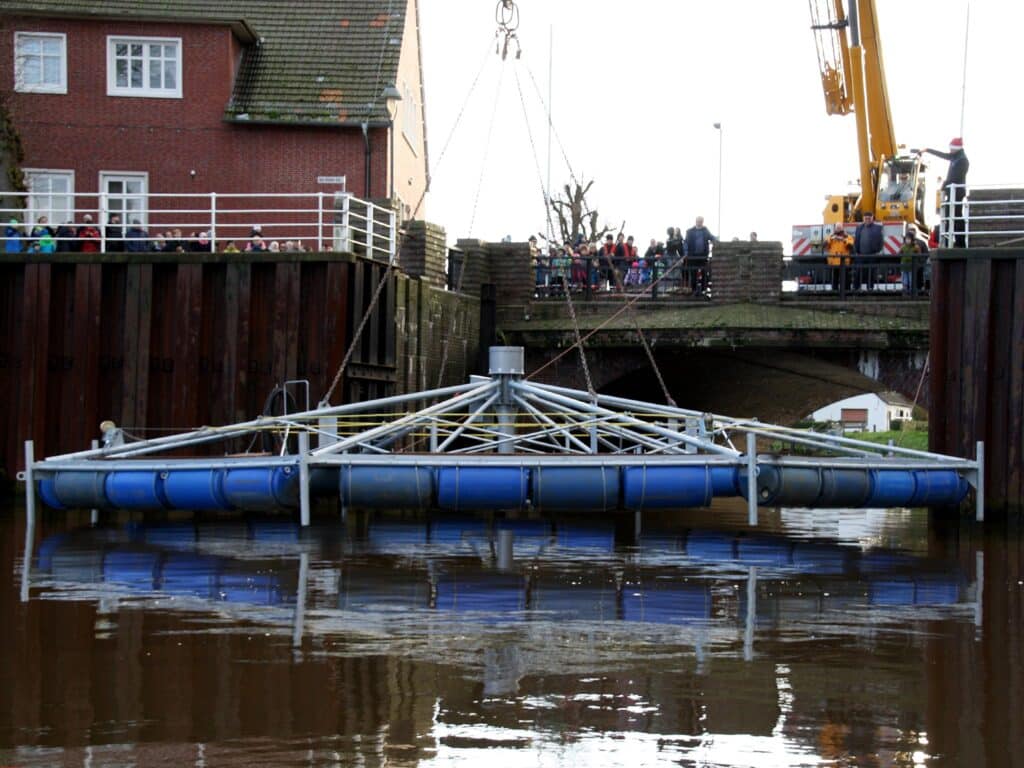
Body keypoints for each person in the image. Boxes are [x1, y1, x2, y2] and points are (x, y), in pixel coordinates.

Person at [922, 138, 969, 246]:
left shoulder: (962, 160)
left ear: (956, 148)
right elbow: (943, 155)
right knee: (952, 215)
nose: (950, 150)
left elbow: (955, 177)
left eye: (951, 148)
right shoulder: (956, 157)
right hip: (953, 191)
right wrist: (927, 150)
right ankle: (954, 240)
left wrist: (944, 184)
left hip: (957, 192)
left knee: (955, 215)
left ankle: (959, 241)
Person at [684, 216, 716, 294]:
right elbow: (686, 243)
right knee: (693, 273)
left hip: (703, 256)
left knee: (704, 273)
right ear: (695, 221)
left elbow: (712, 237)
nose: (699, 222)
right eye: (698, 221)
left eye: (701, 221)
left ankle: (703, 290)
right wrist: (686, 253)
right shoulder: (689, 231)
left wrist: (716, 240)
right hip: (692, 256)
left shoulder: (705, 230)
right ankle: (694, 290)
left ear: (703, 222)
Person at [825, 223, 854, 292]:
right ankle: (834, 292)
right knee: (834, 279)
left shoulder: (848, 237)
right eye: (837, 227)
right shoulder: (830, 237)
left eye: (840, 227)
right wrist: (831, 239)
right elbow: (825, 246)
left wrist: (843, 240)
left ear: (842, 228)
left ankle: (846, 292)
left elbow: (851, 246)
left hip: (844, 262)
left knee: (846, 279)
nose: (838, 229)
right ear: (835, 228)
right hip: (833, 262)